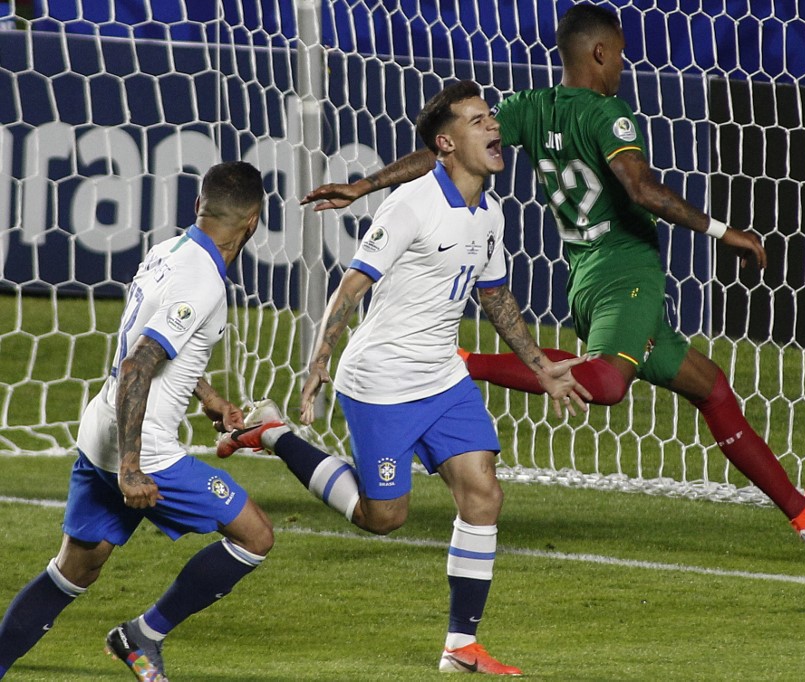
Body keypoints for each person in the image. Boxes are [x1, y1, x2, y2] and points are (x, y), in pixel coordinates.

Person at [300, 3, 805, 551]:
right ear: (601, 52)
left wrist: (366, 185)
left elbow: (446, 156)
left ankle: (803, 513)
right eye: (622, 55)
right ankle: (465, 363)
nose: (623, 67)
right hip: (626, 271)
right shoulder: (611, 116)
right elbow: (641, 191)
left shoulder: (530, 108)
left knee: (711, 387)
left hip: (582, 278)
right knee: (607, 382)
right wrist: (724, 231)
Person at [218, 80, 587, 675]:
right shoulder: (411, 204)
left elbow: (493, 295)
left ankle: (460, 646)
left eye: (491, 116)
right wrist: (317, 364)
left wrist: (540, 366)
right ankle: (273, 433)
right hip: (381, 382)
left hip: (442, 377)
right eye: (476, 120)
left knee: (483, 494)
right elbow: (353, 285)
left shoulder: (489, 210)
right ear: (446, 143)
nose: (493, 127)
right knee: (382, 517)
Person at [0, 161, 273, 682]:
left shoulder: (166, 253)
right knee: (254, 537)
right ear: (254, 222)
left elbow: (152, 347)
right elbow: (138, 365)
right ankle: (142, 635)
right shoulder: (204, 281)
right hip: (142, 449)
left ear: (198, 206)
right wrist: (131, 465)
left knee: (74, 568)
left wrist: (209, 395)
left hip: (98, 427)